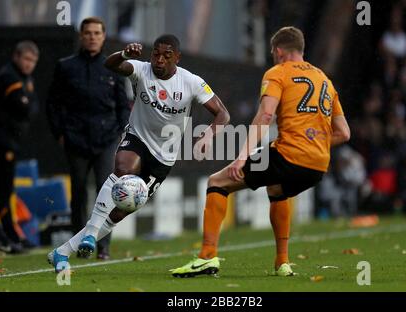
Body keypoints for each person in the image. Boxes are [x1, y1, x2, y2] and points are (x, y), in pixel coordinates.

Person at [170, 26, 350, 277]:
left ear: (277, 51)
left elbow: (265, 115)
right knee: (276, 189)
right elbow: (344, 133)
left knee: (218, 182)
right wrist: (315, 143)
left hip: (289, 156)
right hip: (317, 165)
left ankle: (207, 256)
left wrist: (242, 157)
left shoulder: (278, 72)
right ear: (301, 50)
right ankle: (282, 262)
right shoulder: (324, 79)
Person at [47, 34, 230, 272]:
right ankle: (91, 235)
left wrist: (208, 135)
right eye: (156, 53)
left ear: (177, 57)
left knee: (121, 211)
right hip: (137, 137)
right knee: (122, 171)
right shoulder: (141, 69)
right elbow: (110, 65)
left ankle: (61, 252)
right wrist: (124, 54)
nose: (160, 60)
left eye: (167, 55)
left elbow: (223, 114)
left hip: (164, 155)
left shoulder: (191, 82)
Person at [46, 17, 130, 259]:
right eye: (88, 33)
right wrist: (60, 133)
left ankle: (103, 246)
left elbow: (123, 105)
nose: (92, 37)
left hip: (107, 139)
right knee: (79, 193)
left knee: (108, 192)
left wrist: (121, 132)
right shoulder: (65, 66)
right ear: (81, 36)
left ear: (103, 37)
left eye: (97, 33)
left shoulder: (114, 66)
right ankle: (78, 246)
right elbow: (52, 103)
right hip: (76, 139)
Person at [0, 40, 40, 253]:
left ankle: (10, 236)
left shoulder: (23, 78)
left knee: (4, 192)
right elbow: (24, 108)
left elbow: (32, 104)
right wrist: (27, 103)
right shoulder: (8, 77)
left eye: (33, 61)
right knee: (0, 190)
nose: (29, 64)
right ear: (16, 57)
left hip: (8, 143)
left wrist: (28, 102)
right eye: (26, 59)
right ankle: (3, 238)